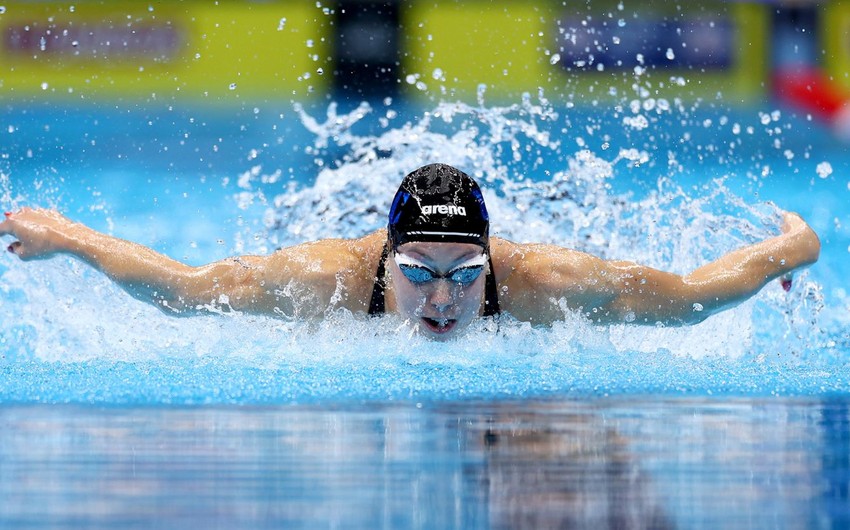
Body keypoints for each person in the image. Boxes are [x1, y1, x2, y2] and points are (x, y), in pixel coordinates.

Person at [0, 163, 821, 340]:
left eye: (465, 277)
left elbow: (689, 298)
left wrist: (793, 247)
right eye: (418, 273)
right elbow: (181, 287)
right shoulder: (324, 278)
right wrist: (65, 237)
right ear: (385, 259)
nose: (441, 299)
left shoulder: (543, 283)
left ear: (491, 264)